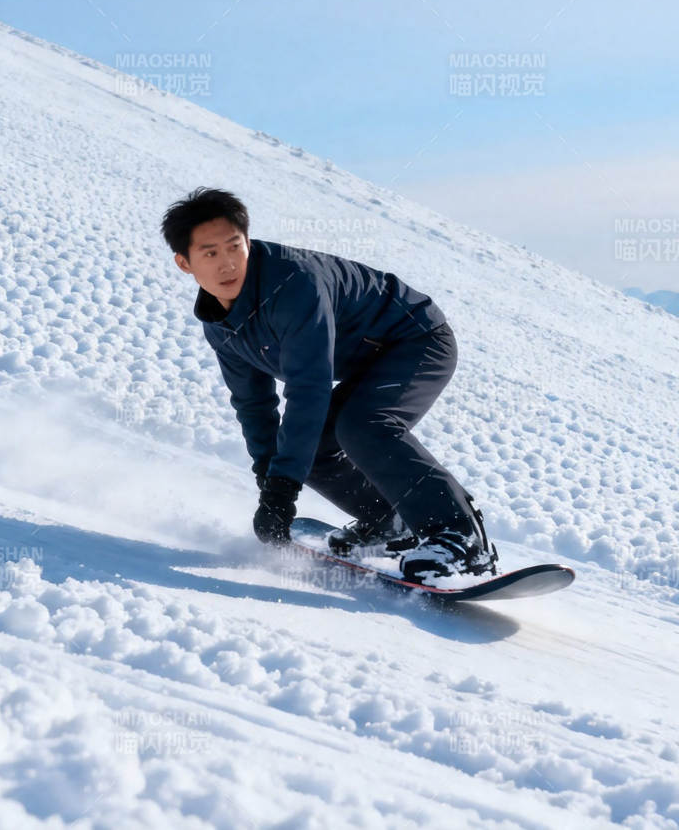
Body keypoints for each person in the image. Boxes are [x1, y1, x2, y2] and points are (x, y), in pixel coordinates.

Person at [161, 187, 497, 580]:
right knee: (315, 450)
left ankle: (462, 540)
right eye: (210, 253)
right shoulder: (221, 327)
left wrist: (283, 490)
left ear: (248, 242)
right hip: (368, 359)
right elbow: (254, 406)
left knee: (363, 424)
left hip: (416, 339)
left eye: (235, 246)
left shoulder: (293, 285)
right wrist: (270, 487)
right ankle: (390, 523)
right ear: (185, 263)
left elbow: (309, 388)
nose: (228, 263)